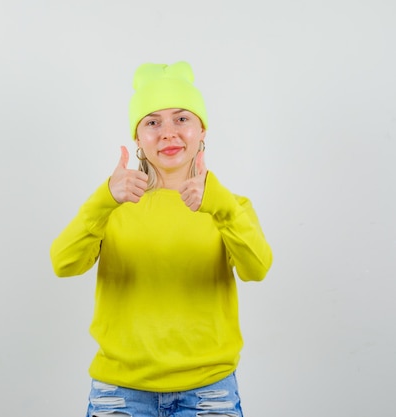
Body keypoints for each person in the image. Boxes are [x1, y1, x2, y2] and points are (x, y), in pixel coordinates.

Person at [50, 61, 273, 417]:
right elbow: (63, 263)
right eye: (152, 122)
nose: (168, 133)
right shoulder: (113, 206)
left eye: (182, 118)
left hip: (209, 392)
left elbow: (257, 268)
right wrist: (105, 198)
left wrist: (220, 205)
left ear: (202, 130)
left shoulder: (230, 207)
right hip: (121, 393)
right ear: (137, 138)